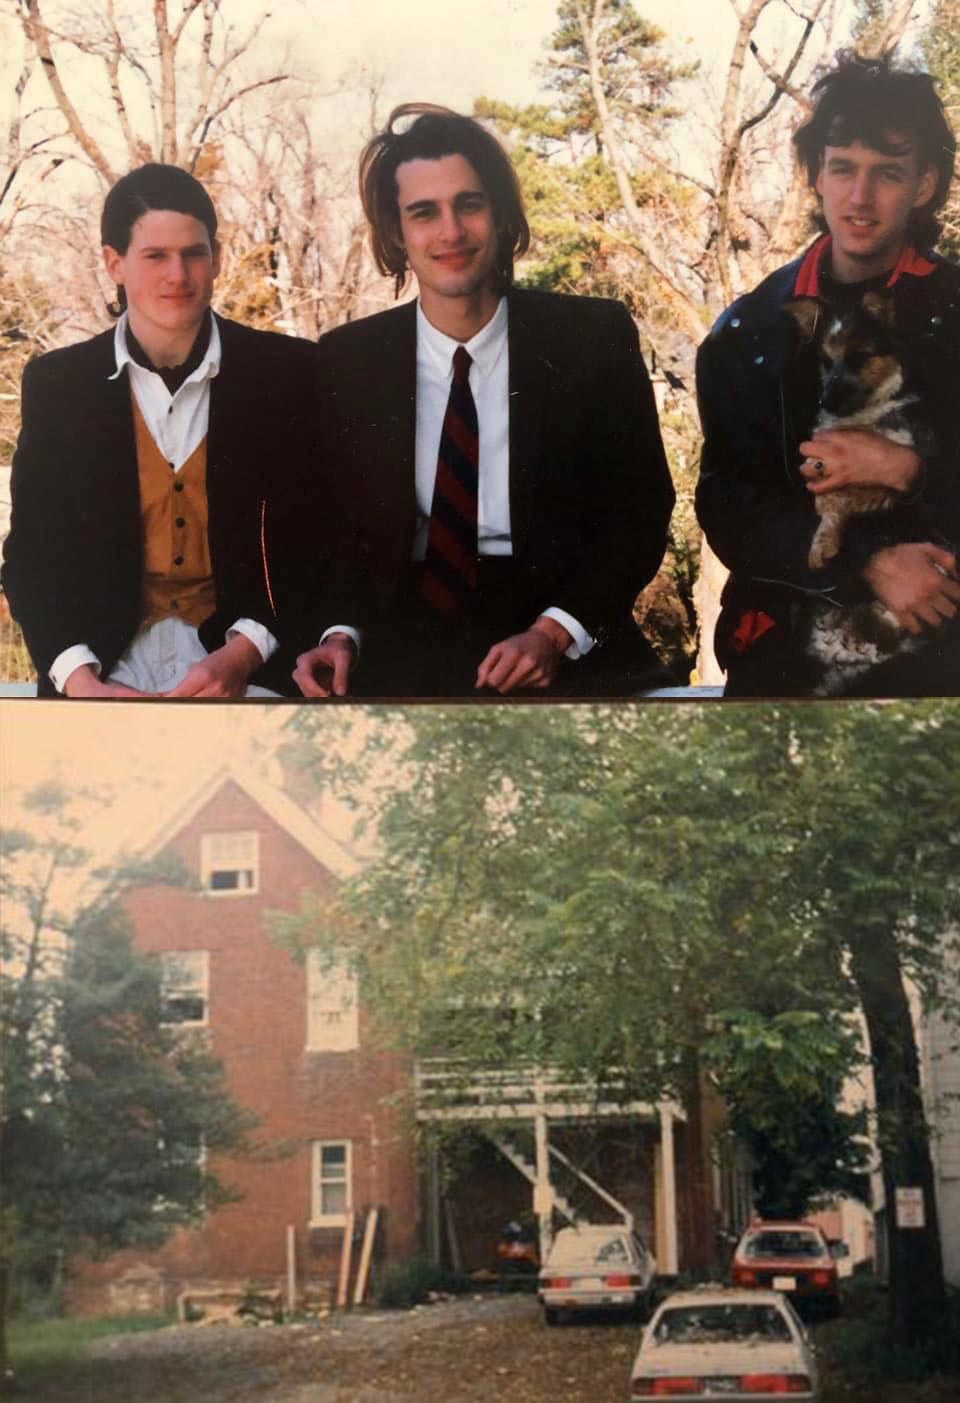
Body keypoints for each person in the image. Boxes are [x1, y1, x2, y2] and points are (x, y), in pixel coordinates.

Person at [293, 103, 674, 699]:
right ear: (396, 232)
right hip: (401, 646)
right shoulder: (348, 359)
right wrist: (339, 633)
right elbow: (334, 534)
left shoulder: (589, 339)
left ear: (499, 215)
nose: (450, 232)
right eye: (424, 213)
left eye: (468, 204)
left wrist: (554, 633)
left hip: (561, 638)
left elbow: (641, 514)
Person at [696, 54, 960, 696]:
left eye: (887, 174)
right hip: (782, 662)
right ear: (816, 174)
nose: (860, 197)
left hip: (938, 664)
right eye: (843, 168)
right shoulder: (751, 328)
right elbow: (727, 503)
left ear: (924, 184)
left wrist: (909, 470)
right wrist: (866, 563)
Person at [2, 163, 317, 698]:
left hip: (247, 666)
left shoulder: (286, 372)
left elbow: (313, 543)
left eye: (194, 253)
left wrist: (242, 654)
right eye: (155, 256)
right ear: (114, 263)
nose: (179, 275)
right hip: (103, 672)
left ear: (215, 258)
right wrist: (79, 680)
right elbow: (32, 554)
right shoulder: (59, 383)